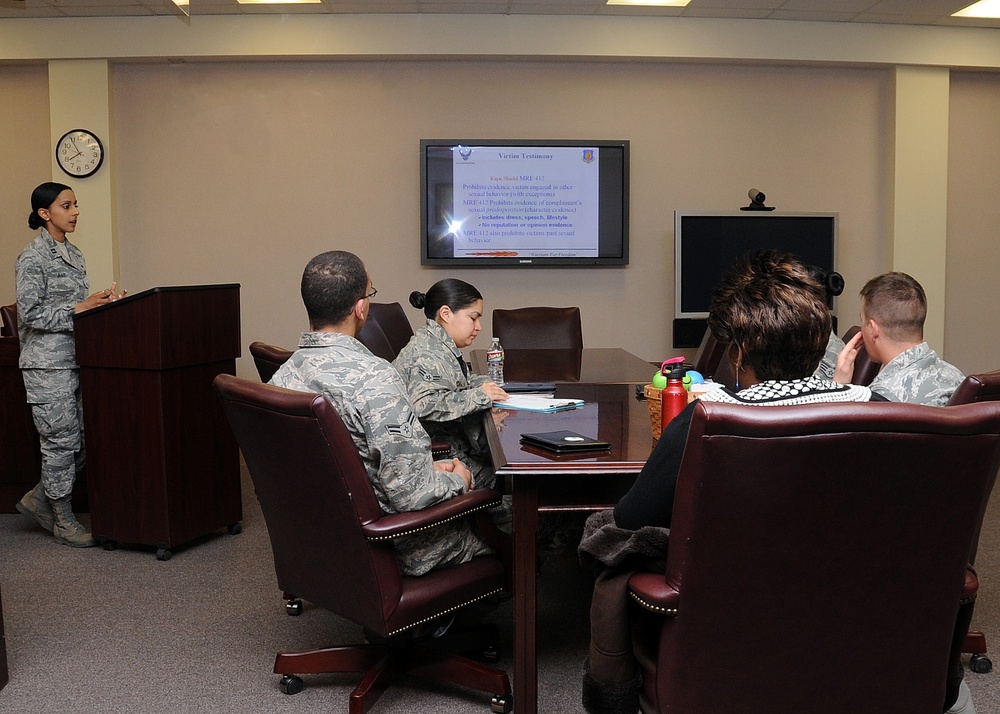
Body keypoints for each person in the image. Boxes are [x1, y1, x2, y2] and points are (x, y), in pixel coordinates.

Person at [579, 250, 882, 714]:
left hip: (730, 627)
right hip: (850, 626)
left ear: (737, 353)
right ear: (820, 342)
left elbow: (631, 517)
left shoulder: (707, 421)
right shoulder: (880, 410)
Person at [268, 251, 503, 577]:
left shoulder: (281, 378)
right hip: (401, 544)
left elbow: (352, 463)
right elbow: (413, 495)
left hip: (325, 540)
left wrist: (429, 469)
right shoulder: (375, 379)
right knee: (531, 519)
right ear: (360, 308)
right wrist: (458, 479)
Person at [15, 181, 126, 547]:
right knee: (61, 444)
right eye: (67, 206)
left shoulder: (74, 254)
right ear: (44, 213)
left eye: (76, 204)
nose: (76, 212)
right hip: (47, 368)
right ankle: (62, 519)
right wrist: (79, 308)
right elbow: (30, 314)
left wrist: (100, 304)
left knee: (85, 441)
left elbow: (75, 309)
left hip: (77, 360)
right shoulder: (32, 257)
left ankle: (40, 500)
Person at [392, 279, 508, 489]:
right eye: (473, 317)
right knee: (517, 484)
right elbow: (424, 404)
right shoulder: (426, 353)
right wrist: (481, 396)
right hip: (443, 460)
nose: (479, 327)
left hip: (453, 450)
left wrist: (488, 386)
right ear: (446, 314)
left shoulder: (438, 345)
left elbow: (461, 382)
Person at [834, 271, 965, 406]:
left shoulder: (880, 397)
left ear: (873, 329)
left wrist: (838, 389)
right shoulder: (957, 378)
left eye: (862, 320)